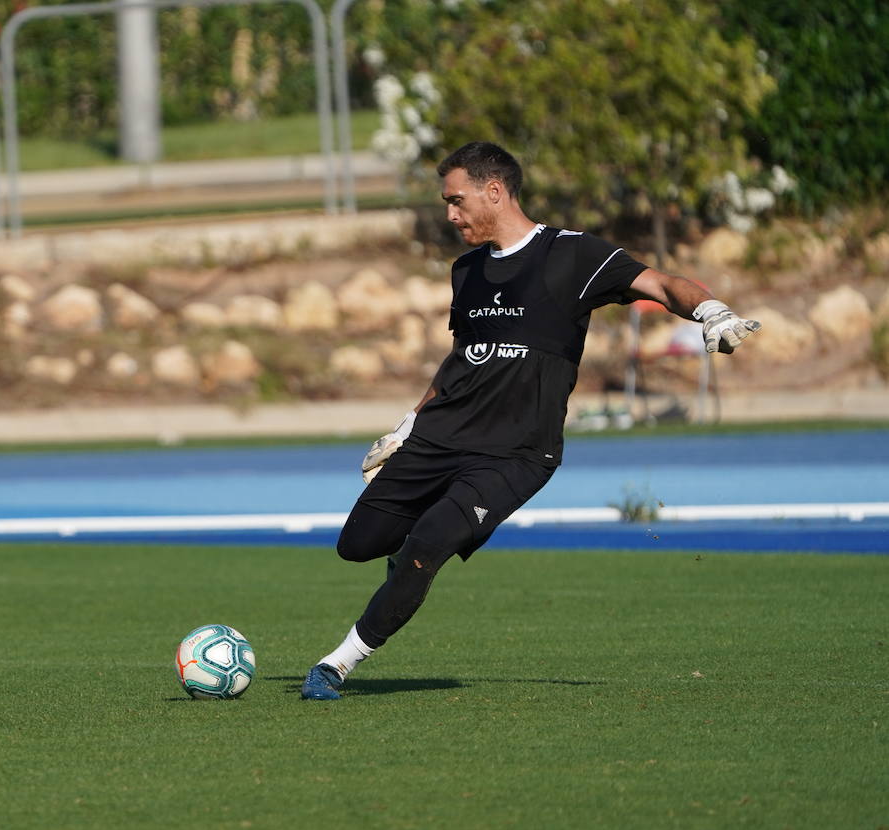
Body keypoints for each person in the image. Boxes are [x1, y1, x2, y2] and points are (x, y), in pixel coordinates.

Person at [300, 141, 761, 700]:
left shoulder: (573, 255)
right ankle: (409, 555)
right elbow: (461, 361)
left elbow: (663, 285)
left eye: (456, 200)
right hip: (441, 434)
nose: (449, 214)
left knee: (428, 544)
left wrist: (711, 310)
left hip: (517, 453)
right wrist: (406, 425)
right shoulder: (465, 271)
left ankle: (334, 666)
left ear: (494, 191)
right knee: (357, 544)